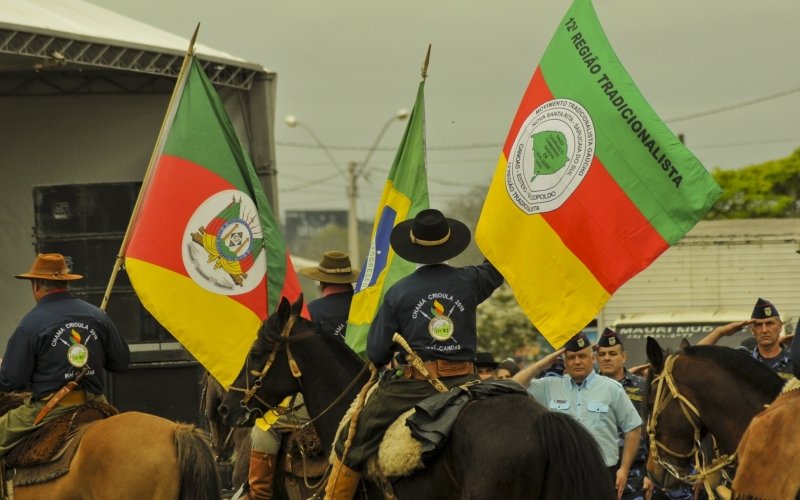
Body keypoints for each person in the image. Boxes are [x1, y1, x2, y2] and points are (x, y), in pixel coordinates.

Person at [324, 208, 504, 499]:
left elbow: (376, 351)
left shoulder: (399, 292)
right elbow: (496, 269)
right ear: (448, 244)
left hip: (415, 386)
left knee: (351, 438)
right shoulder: (470, 280)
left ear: (413, 248)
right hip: (467, 382)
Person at [245, 251, 360, 500]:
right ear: (349, 281)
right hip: (365, 394)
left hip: (323, 403)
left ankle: (258, 494)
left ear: (321, 282)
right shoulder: (366, 307)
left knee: (265, 430)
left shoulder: (311, 313)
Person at [0, 253, 130, 457]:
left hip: (51, 408)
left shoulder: (30, 324)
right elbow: (121, 362)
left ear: (35, 286)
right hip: (96, 402)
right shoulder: (97, 316)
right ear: (65, 283)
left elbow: (11, 380)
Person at [513, 332, 642, 499]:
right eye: (571, 357)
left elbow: (633, 428)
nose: (577, 361)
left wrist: (624, 470)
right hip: (560, 475)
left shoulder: (612, 389)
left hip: (600, 474)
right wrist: (543, 363)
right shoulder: (549, 386)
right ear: (564, 361)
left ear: (593, 358)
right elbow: (514, 385)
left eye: (582, 356)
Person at [596, 328, 657, 500]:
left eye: (613, 353)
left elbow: (655, 431)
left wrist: (649, 474)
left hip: (635, 473)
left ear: (624, 357)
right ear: (596, 358)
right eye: (602, 354)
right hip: (597, 471)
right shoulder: (587, 388)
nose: (607, 358)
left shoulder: (643, 387)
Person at [698, 297, 794, 380]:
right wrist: (719, 332)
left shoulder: (795, 361)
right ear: (752, 330)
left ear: (780, 327)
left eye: (769, 323)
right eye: (758, 325)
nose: (764, 330)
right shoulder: (741, 359)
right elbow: (693, 357)